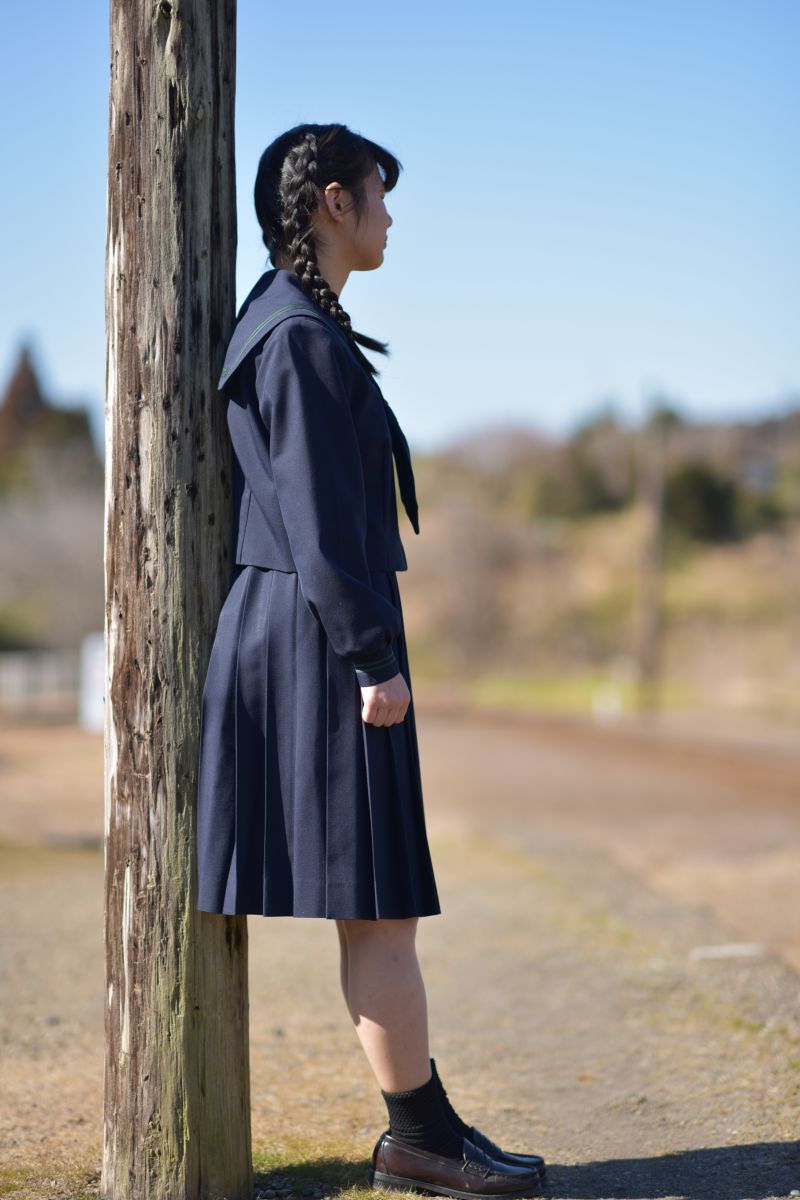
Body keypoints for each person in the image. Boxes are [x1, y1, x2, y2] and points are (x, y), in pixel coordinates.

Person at [195, 122, 546, 1198]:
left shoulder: (296, 324)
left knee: (376, 900)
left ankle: (425, 1128)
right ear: (332, 206)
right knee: (379, 902)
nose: (390, 218)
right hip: (318, 638)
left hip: (309, 629)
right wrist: (367, 660)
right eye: (378, 198)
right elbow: (318, 518)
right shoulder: (295, 335)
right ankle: (420, 1139)